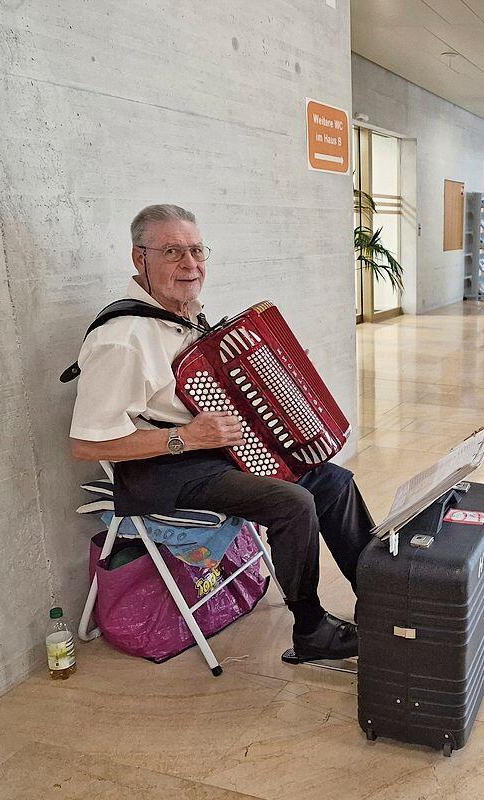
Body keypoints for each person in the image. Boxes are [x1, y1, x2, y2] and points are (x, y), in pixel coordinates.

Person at [70, 204, 373, 663]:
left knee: (333, 481)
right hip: (161, 471)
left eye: (195, 250)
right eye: (172, 251)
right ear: (140, 259)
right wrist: (187, 438)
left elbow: (209, 387)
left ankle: (380, 597)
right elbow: (86, 444)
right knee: (292, 502)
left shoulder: (185, 315)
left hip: (210, 453)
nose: (190, 264)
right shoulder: (123, 339)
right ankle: (311, 629)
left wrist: (274, 373)